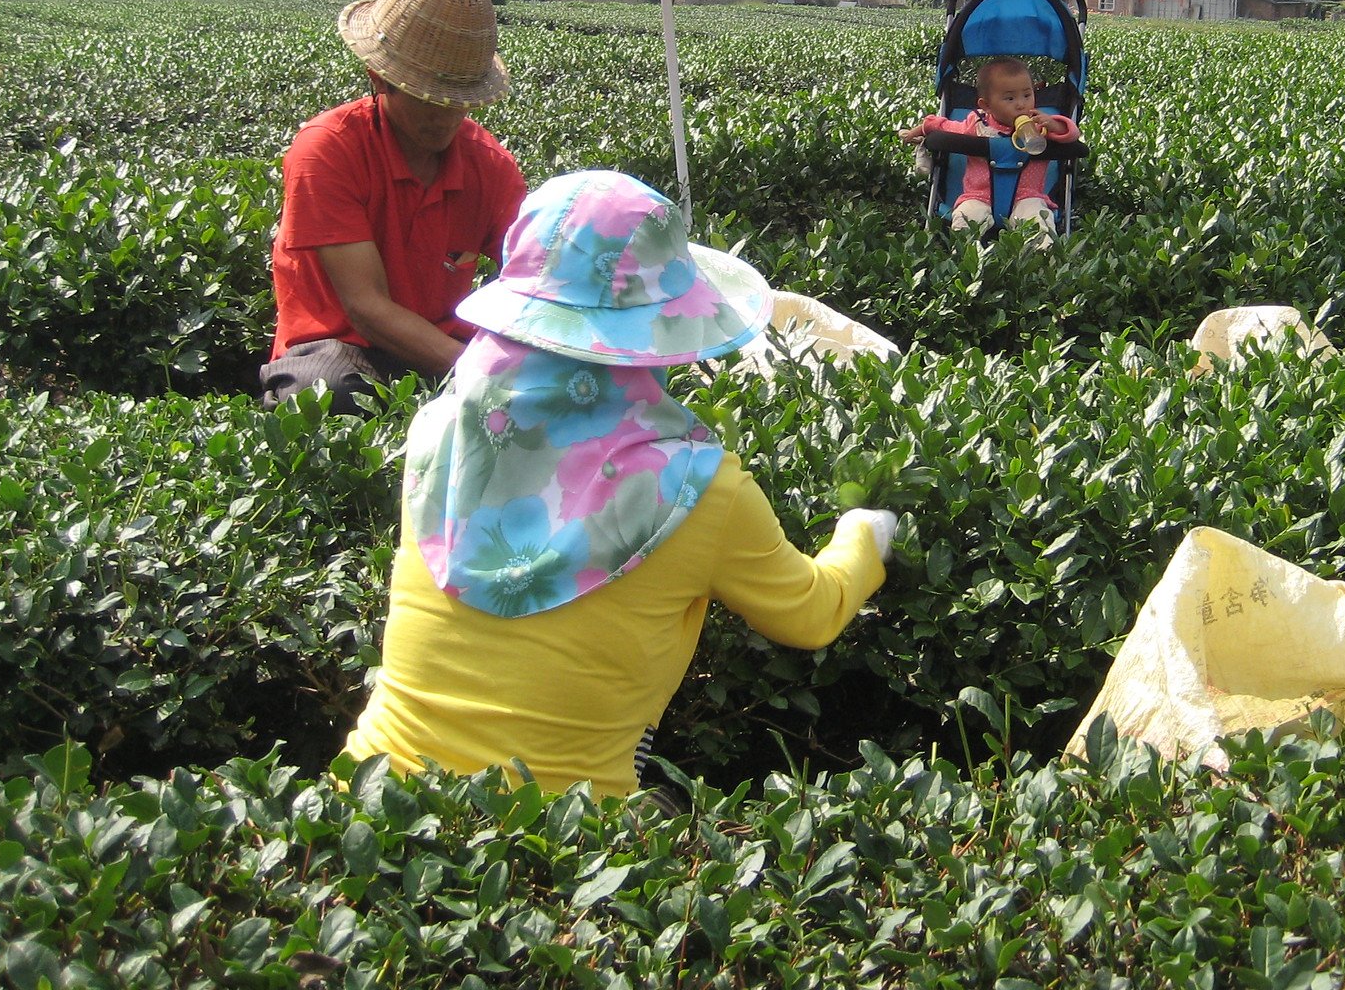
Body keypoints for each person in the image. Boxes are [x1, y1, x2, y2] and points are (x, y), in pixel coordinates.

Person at [344, 169, 899, 799]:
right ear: (658, 333)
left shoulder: (437, 431)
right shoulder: (699, 487)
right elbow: (810, 614)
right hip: (560, 834)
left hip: (372, 795)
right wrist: (866, 533)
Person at [261, 0, 525, 413]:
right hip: (340, 348)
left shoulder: (490, 166)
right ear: (379, 79)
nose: (444, 115)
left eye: (458, 101)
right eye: (428, 96)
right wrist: (482, 379)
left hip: (441, 343)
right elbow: (366, 308)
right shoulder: (327, 150)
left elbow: (537, 276)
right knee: (330, 396)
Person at [899, 54, 1079, 234]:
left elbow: (1070, 136)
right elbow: (947, 127)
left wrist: (1055, 125)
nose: (1021, 105)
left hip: (1028, 195)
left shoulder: (1040, 125)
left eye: (1027, 95)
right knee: (967, 217)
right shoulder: (977, 124)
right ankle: (968, 252)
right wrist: (924, 127)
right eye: (1010, 99)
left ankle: (1043, 255)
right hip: (979, 195)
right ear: (986, 106)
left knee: (1038, 220)